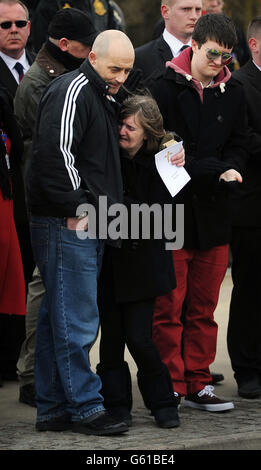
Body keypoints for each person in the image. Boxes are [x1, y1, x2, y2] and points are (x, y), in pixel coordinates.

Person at [26, 29, 134, 435]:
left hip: (82, 217)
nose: (121, 77)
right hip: (69, 220)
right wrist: (79, 207)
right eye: (115, 68)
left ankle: (53, 408)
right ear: (91, 57)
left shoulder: (98, 92)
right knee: (78, 319)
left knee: (61, 317)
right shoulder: (73, 90)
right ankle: (87, 406)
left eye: (127, 70)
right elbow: (55, 155)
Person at [149, 13, 248, 412]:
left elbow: (241, 141)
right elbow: (159, 152)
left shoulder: (233, 90)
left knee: (204, 308)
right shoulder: (163, 86)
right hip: (173, 214)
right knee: (169, 307)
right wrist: (211, 166)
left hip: (215, 215)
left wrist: (233, 165)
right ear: (196, 43)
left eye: (226, 56)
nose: (219, 62)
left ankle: (199, 382)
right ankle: (171, 385)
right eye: (213, 53)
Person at [14, 7, 98, 408]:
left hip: (63, 201)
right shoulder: (39, 83)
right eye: (85, 48)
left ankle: (45, 378)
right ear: (64, 45)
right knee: (44, 287)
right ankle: (33, 375)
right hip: (50, 205)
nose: (89, 55)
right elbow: (43, 152)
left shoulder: (60, 74)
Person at [96, 94, 186, 429]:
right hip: (110, 264)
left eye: (129, 127)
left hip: (143, 267)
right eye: (120, 123)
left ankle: (162, 401)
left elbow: (160, 216)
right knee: (111, 342)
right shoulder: (108, 157)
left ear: (147, 133)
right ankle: (117, 406)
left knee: (139, 338)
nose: (122, 131)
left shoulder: (165, 162)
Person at [0, 0, 35, 382]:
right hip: (8, 196)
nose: (13, 28)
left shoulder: (47, 70)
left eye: (19, 22)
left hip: (41, 197)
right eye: (4, 23)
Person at [227, 16, 261, 399]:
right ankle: (247, 368)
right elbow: (244, 139)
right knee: (250, 289)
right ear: (253, 45)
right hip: (252, 208)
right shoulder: (239, 84)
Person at [0, 85, 26, 386]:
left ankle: (7, 362)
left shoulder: (3, 97)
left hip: (8, 203)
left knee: (10, 285)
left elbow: (17, 151)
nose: (13, 32)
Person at [134, 0, 202, 84]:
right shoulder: (140, 59)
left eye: (198, 9)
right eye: (186, 9)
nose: (194, 16)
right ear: (165, 12)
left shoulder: (210, 56)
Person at [30, 0, 125, 53]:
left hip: (101, 65)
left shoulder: (105, 3)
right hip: (65, 71)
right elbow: (41, 46)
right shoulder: (50, 5)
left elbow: (115, 37)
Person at [202, 0, 250, 69]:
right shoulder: (188, 29)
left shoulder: (235, 31)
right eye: (210, 0)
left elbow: (245, 62)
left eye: (218, 1)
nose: (214, 4)